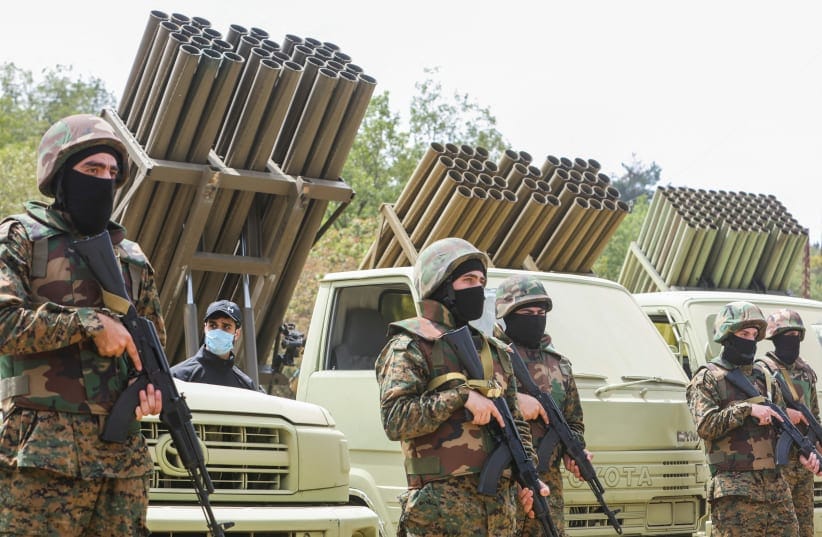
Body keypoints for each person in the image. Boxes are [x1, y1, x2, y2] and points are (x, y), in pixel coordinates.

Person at [0, 113, 164, 536]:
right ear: (60, 175)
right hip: (39, 453)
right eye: (92, 169)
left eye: (112, 172)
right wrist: (89, 323)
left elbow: (151, 350)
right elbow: (3, 323)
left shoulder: (131, 258)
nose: (104, 180)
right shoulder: (20, 238)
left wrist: (148, 391)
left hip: (121, 459)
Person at [375, 237, 548, 536]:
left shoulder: (494, 351)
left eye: (481, 280)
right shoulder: (410, 346)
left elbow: (515, 423)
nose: (478, 289)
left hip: (500, 513)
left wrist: (527, 477)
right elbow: (395, 420)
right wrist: (460, 397)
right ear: (441, 286)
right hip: (441, 514)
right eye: (468, 279)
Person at [686, 301, 819, 537]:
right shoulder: (707, 378)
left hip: (776, 491)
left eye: (754, 335)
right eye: (743, 333)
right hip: (736, 493)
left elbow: (781, 429)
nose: (750, 339)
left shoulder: (764, 378)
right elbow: (706, 426)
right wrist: (746, 410)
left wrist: (802, 454)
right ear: (727, 335)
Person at [494, 274, 589, 537]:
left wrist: (574, 450)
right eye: (527, 311)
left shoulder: (559, 365)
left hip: (548, 490)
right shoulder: (489, 355)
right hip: (504, 488)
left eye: (540, 312)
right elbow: (474, 401)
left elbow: (574, 422)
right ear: (507, 313)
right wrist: (514, 402)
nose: (535, 318)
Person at [757, 309, 819, 537]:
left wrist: (817, 449)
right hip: (775, 466)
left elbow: (814, 416)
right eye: (786, 334)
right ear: (774, 338)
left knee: (805, 529)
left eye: (796, 334)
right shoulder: (761, 370)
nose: (792, 340)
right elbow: (758, 413)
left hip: (803, 465)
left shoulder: (806, 373)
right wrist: (785, 414)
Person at [171, 299, 263, 392]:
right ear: (205, 328)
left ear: (237, 334)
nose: (218, 331)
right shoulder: (178, 377)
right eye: (213, 325)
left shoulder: (245, 386)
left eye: (226, 327)